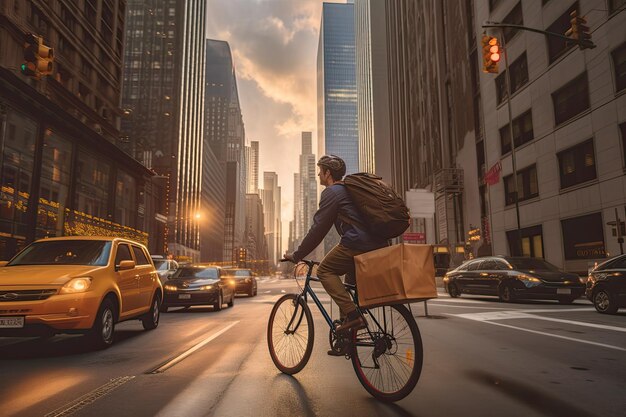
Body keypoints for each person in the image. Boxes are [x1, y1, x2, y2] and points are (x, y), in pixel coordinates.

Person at [283, 155, 388, 352]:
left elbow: (318, 230)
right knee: (347, 285)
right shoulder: (350, 190)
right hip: (375, 244)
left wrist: (297, 255)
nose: (318, 174)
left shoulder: (332, 192)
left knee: (324, 271)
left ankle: (354, 317)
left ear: (328, 173)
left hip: (357, 243)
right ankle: (346, 340)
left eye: (320, 170)